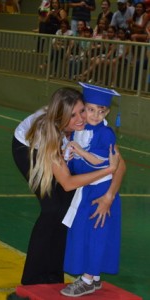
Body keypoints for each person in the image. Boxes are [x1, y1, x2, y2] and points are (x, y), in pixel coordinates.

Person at [11, 87, 125, 286]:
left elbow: (120, 165)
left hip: (62, 152)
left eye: (82, 110)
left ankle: (54, 276)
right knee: (52, 208)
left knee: (67, 211)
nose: (80, 119)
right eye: (72, 116)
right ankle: (33, 278)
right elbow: (67, 183)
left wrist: (109, 197)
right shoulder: (49, 132)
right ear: (61, 117)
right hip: (30, 148)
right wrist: (106, 171)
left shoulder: (96, 124)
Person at [61, 83, 123, 297]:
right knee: (84, 232)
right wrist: (68, 158)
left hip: (100, 189)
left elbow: (101, 162)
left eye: (101, 110)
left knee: (97, 232)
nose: (95, 115)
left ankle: (88, 279)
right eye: (90, 109)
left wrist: (77, 151)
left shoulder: (105, 133)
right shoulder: (79, 130)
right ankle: (94, 278)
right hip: (85, 189)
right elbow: (75, 165)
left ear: (107, 112)